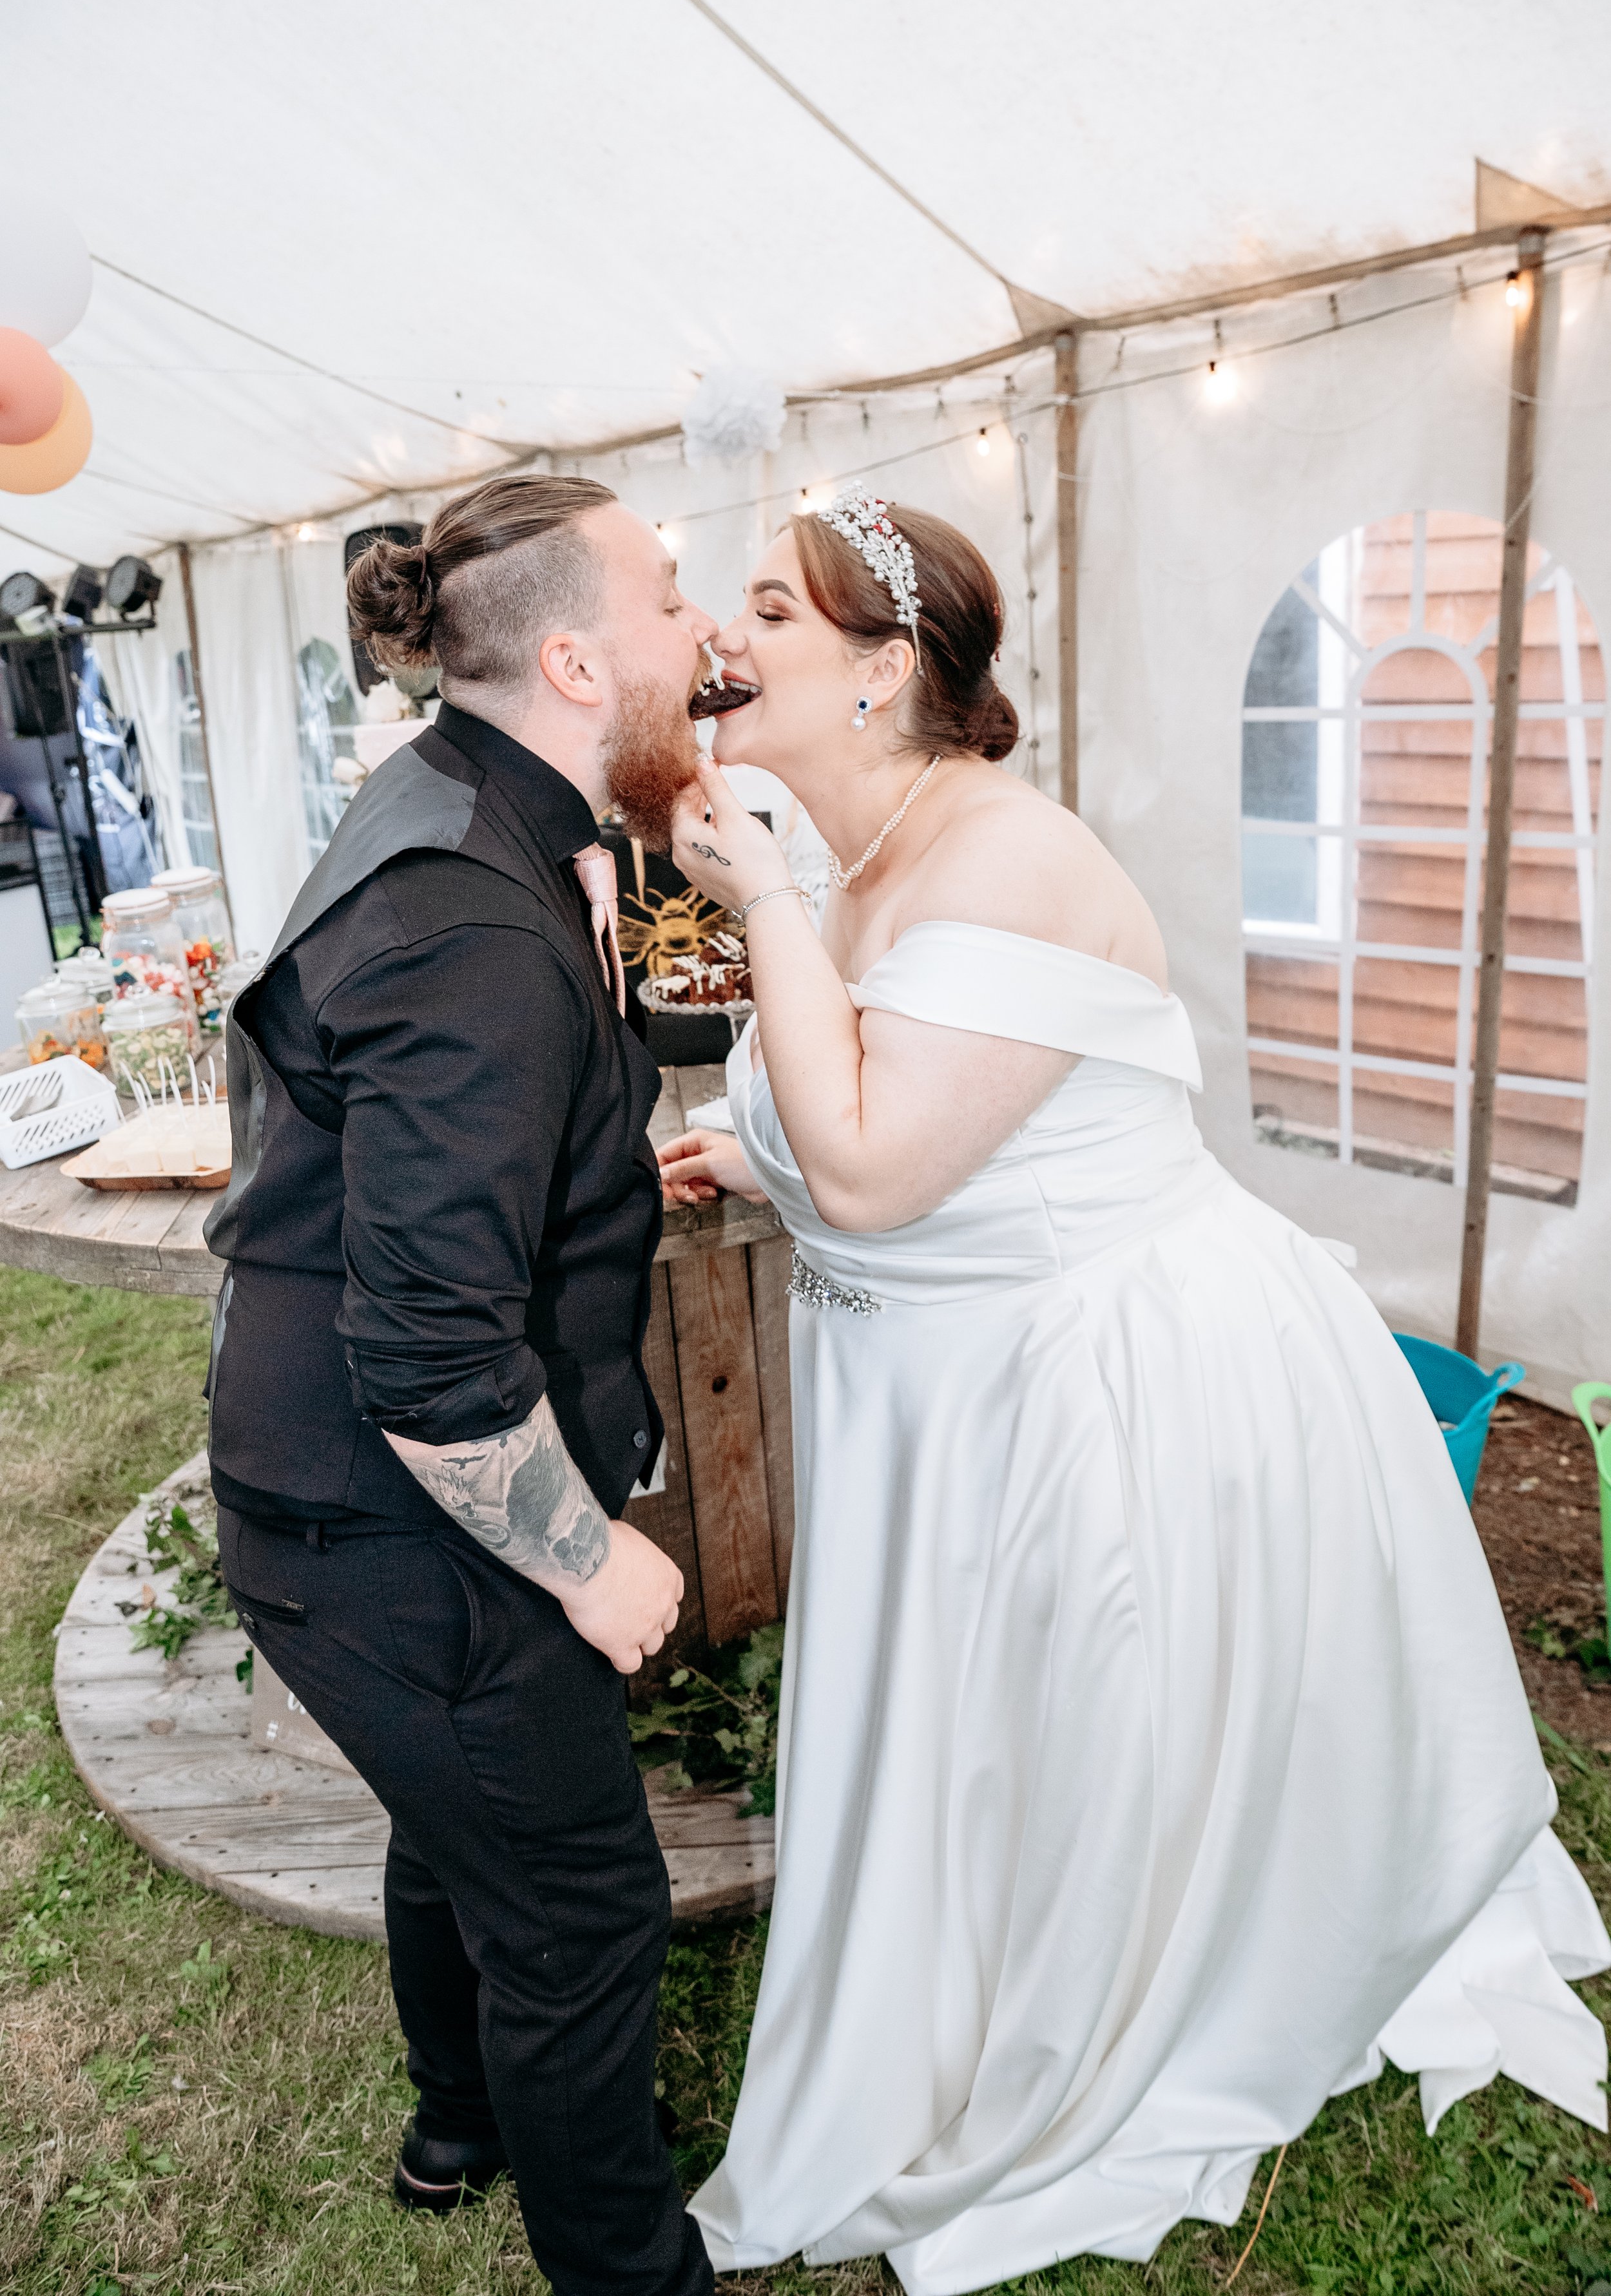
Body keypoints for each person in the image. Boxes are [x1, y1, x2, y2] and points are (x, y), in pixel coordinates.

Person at [655, 486, 1611, 2293]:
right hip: (944, 1392)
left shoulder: (1003, 854)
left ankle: (1139, 1993)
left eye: (767, 611)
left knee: (1102, 1741)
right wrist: (747, 1148)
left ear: (878, 669)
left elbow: (875, 1172)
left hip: (1105, 1383)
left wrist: (762, 904)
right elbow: (876, 1100)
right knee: (1001, 1739)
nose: (721, 638)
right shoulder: (858, 855)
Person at [204, 475, 719, 2296]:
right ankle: (625, 2271)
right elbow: (425, 1356)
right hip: (386, 1505)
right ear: (578, 657)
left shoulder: (476, 805)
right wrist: (591, 1561)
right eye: (669, 605)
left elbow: (669, 1023)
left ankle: (457, 2123)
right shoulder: (472, 919)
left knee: (458, 1826)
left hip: (330, 1477)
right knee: (583, 1905)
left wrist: (578, 1157)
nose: (700, 636)